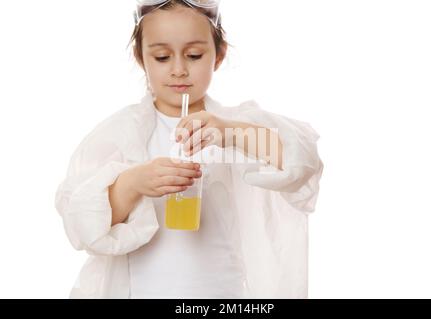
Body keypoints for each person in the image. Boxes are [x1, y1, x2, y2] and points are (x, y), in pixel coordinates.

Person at [55, 0, 324, 299]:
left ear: (218, 56)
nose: (179, 70)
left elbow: (302, 163)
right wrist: (133, 183)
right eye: (161, 57)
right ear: (141, 57)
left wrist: (230, 132)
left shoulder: (235, 127)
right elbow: (83, 225)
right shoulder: (118, 135)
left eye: (194, 55)